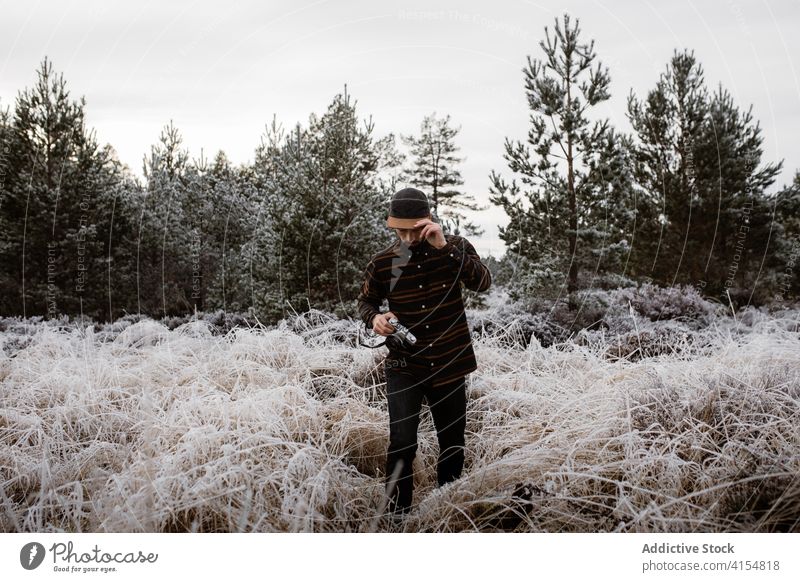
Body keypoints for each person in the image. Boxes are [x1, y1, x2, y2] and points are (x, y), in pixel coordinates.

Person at [356, 187, 492, 520]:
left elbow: (483, 282)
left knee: (452, 443)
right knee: (402, 442)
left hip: (449, 362)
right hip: (405, 366)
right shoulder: (385, 261)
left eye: (412, 229)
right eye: (399, 230)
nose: (407, 237)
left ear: (427, 221)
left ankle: (447, 511)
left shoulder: (455, 247)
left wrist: (443, 247)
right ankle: (395, 516)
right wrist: (375, 318)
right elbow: (365, 301)